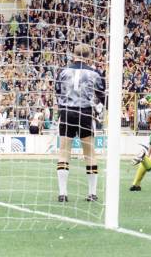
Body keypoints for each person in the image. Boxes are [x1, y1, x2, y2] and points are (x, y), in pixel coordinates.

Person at [54, 44, 105, 202]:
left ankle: (63, 193)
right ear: (89, 55)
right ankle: (92, 193)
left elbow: (57, 92)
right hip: (85, 113)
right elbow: (102, 95)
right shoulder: (94, 73)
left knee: (64, 152)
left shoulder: (63, 72)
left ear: (73, 54)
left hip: (67, 112)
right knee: (89, 154)